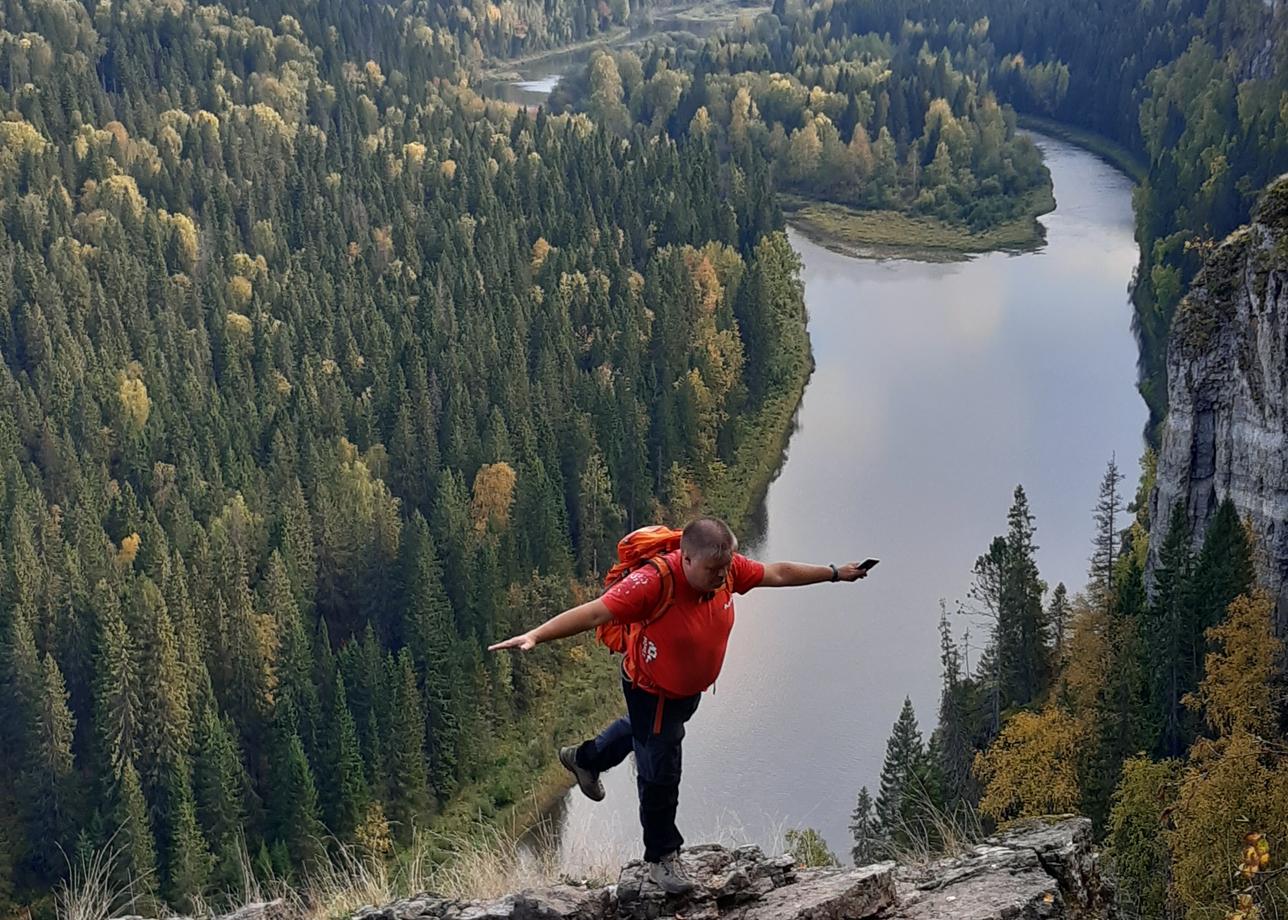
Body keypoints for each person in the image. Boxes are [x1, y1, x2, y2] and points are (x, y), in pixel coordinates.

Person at [488, 516, 873, 895]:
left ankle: (586, 758)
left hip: (685, 692)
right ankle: (661, 857)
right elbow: (595, 612)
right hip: (652, 690)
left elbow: (778, 573)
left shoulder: (727, 566)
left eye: (725, 569)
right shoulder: (654, 582)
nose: (722, 577)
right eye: (712, 570)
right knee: (661, 772)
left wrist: (836, 572)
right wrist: (537, 635)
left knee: (647, 735)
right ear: (686, 559)